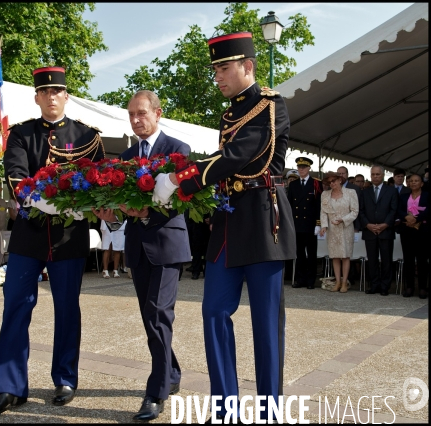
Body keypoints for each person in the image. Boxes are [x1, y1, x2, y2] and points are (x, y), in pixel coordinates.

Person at [152, 32, 294, 422]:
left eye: (223, 68)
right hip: (229, 223)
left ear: (247, 66)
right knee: (214, 312)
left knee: (266, 326)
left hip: (265, 223)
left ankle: (269, 412)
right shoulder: (229, 111)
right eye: (215, 68)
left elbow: (239, 153)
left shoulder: (270, 105)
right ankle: (225, 407)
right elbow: (225, 160)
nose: (216, 75)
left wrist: (182, 179)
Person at [0, 67, 104, 415]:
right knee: (15, 307)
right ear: (36, 97)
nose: (51, 97)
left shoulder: (87, 137)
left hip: (68, 237)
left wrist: (86, 210)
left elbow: (100, 183)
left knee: (67, 310)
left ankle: (65, 378)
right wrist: (63, 203)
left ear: (66, 95)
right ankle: (10, 386)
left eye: (57, 92)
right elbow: (19, 182)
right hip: (29, 235)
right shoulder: (20, 134)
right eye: (44, 92)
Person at [94, 90, 191, 422]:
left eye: (141, 113)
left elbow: (180, 201)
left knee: (158, 314)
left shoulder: (179, 149)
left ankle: (156, 391)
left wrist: (147, 212)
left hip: (167, 244)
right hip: (137, 247)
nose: (136, 120)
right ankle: (173, 372)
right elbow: (123, 208)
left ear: (158, 113)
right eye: (131, 114)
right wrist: (113, 217)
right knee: (151, 318)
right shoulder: (126, 155)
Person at [360, 165, 398, 296]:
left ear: (383, 176)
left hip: (386, 231)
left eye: (378, 174)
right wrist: (368, 225)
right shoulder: (365, 192)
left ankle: (384, 286)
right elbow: (361, 211)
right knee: (372, 260)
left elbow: (394, 210)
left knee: (386, 260)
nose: (375, 177)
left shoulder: (391, 191)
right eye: (373, 174)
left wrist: (385, 224)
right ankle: (374, 285)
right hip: (369, 231)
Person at [319, 172, 359, 293]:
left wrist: (343, 219)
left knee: (345, 256)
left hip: (345, 227)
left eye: (334, 181)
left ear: (340, 180)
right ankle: (337, 281)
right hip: (332, 228)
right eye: (330, 182)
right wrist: (324, 226)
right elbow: (323, 212)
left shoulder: (351, 193)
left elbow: (355, 211)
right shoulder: (325, 194)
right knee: (335, 256)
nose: (332, 184)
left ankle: (344, 282)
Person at [287, 157, 322, 289]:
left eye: (304, 167)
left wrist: (318, 223)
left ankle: (311, 281)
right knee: (299, 254)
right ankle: (300, 279)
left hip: (310, 224)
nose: (301, 169)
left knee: (312, 254)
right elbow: (290, 205)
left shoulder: (315, 184)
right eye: (299, 167)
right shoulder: (293, 184)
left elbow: (318, 206)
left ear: (309, 169)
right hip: (297, 224)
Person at [397, 173, 428, 298]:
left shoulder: (427, 195)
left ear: (422, 183)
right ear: (408, 183)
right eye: (411, 181)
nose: (414, 183)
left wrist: (416, 219)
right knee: (408, 260)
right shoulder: (403, 196)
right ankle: (409, 287)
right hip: (407, 231)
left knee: (422, 261)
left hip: (423, 231)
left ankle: (422, 288)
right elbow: (399, 209)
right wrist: (406, 217)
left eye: (417, 181)